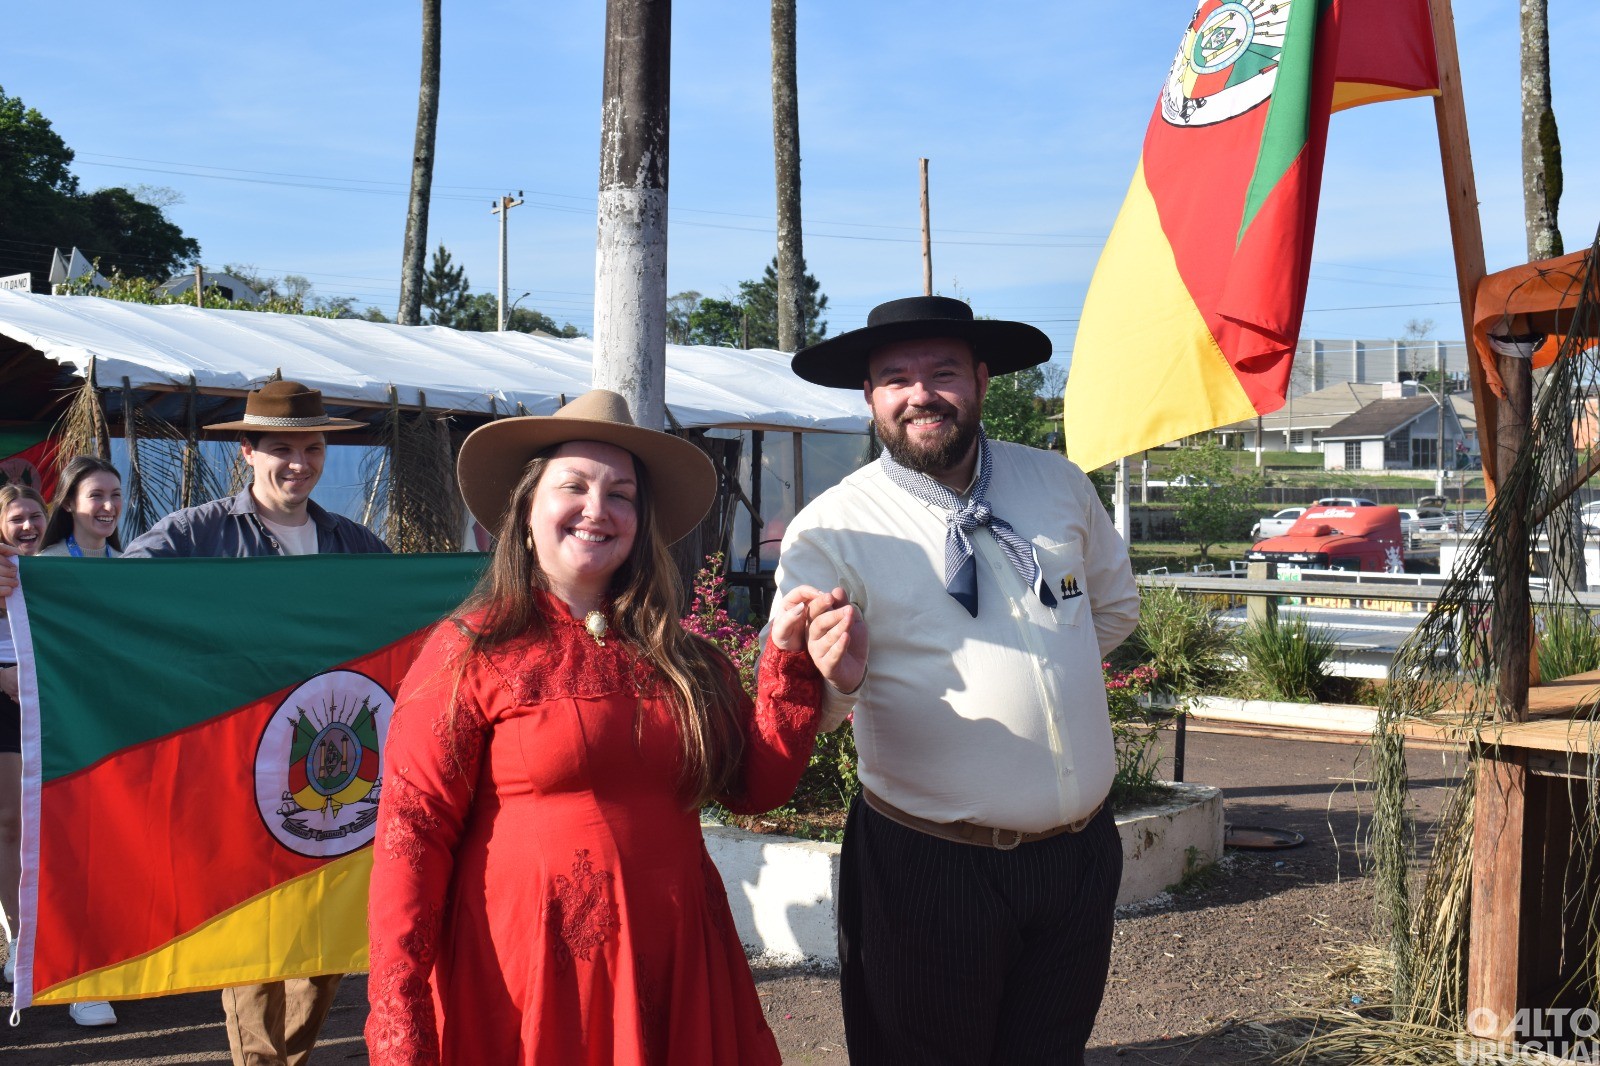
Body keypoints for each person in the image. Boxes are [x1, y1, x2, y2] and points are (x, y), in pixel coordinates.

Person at [364, 389, 864, 1065]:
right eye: (573, 486)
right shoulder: (467, 655)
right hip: (531, 976)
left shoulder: (682, 657)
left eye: (621, 494)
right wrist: (401, 1019)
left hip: (680, 958)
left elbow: (756, 786)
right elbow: (410, 841)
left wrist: (792, 664)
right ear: (528, 508)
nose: (598, 509)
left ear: (642, 521)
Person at [776, 295, 1141, 1065]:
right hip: (928, 866)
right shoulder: (832, 529)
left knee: (1048, 1054)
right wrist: (838, 679)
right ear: (870, 397)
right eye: (895, 378)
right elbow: (810, 705)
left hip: (1077, 860)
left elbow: (1108, 614)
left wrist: (1041, 690)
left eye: (943, 371)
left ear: (980, 380)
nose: (921, 394)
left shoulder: (1057, 485)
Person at [122, 379, 388, 1066]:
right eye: (280, 449)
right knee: (255, 926)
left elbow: (407, 620)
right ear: (246, 451)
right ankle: (260, 1062)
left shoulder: (355, 545)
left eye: (310, 448)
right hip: (239, 768)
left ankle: (289, 1058)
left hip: (338, 760)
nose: (297, 462)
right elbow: (111, 601)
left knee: (323, 926)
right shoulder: (194, 534)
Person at [0, 485, 47, 988]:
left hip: (50, 696)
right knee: (11, 823)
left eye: (36, 515)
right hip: (4, 696)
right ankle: (17, 937)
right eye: (17, 518)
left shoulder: (58, 568)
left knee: (53, 823)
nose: (28, 525)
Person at [37, 456, 123, 558]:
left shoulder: (127, 565)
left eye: (116, 495)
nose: (109, 506)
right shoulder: (47, 563)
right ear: (68, 504)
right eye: (96, 495)